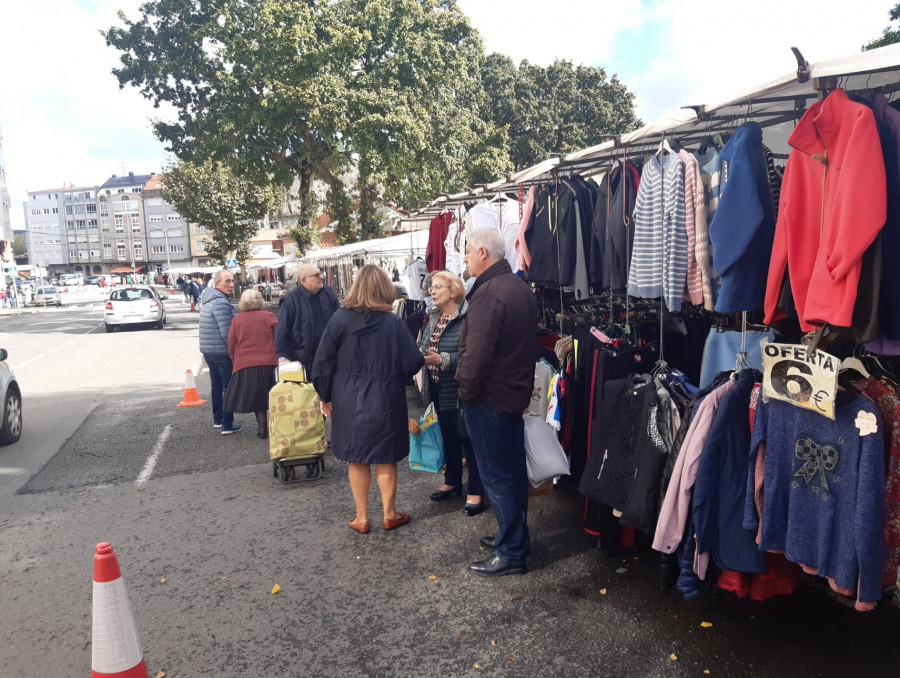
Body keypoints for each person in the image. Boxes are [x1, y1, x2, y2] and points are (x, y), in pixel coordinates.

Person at [312, 265, 424, 534]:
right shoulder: (394, 323)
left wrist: (325, 395)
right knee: (386, 457)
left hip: (348, 397)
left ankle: (361, 517)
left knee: (357, 458)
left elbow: (322, 362)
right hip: (386, 397)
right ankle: (389, 514)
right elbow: (412, 363)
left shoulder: (339, 319)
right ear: (384, 289)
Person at [456, 227, 537, 577]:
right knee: (512, 474)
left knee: (499, 477)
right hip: (509, 395)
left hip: (490, 398)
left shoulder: (489, 293)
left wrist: (465, 395)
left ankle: (512, 550)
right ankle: (514, 538)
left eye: (468, 251)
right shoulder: (519, 287)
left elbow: (476, 355)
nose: (465, 258)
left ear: (484, 253)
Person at [419, 270, 484, 515]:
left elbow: (473, 354)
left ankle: (476, 491)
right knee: (448, 436)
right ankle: (453, 481)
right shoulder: (434, 316)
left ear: (453, 290)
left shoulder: (468, 315)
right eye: (431, 288)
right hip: (438, 387)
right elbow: (425, 346)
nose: (431, 292)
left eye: (438, 287)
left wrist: (442, 359)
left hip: (461, 390)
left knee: (469, 440)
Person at [224, 289, 278, 439]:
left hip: (246, 363)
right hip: (270, 362)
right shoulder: (269, 316)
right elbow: (278, 337)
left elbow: (231, 343)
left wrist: (235, 359)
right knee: (275, 396)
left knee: (258, 398)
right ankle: (277, 427)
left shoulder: (237, 320)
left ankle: (262, 427)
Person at [199, 270, 242, 435]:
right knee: (227, 387)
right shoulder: (221, 303)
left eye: (232, 281)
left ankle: (218, 419)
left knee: (216, 385)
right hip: (221, 351)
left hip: (208, 349)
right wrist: (235, 352)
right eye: (227, 281)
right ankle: (227, 424)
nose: (231, 285)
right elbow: (228, 333)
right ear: (217, 284)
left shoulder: (208, 299)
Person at [275, 263, 339, 371]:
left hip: (329, 361)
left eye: (320, 273)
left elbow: (339, 322)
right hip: (302, 364)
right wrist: (283, 358)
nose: (321, 277)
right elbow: (281, 333)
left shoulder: (329, 294)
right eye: (317, 275)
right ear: (304, 280)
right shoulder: (290, 301)